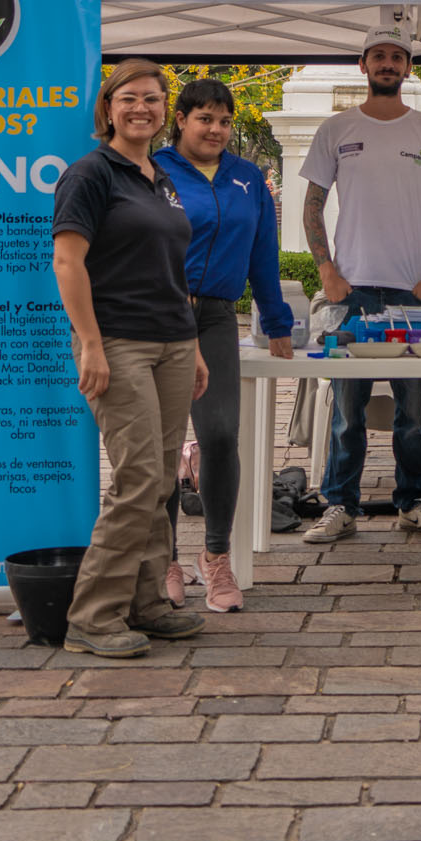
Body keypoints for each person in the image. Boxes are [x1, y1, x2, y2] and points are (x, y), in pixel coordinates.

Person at [50, 60, 209, 657]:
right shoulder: (91, 174)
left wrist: (191, 345)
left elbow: (171, 270)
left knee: (161, 480)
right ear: (108, 109)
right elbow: (68, 263)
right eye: (130, 98)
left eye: (153, 99)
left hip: (172, 341)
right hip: (117, 342)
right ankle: (92, 615)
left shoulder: (160, 178)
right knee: (139, 477)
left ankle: (144, 603)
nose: (143, 108)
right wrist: (90, 343)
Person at [300, 20, 421, 544]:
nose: (388, 64)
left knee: (412, 412)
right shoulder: (336, 129)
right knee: (347, 411)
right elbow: (312, 206)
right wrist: (327, 270)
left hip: (413, 292)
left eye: (397, 56)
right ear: (363, 65)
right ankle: (339, 506)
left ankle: (414, 502)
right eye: (379, 56)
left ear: (408, 67)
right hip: (355, 291)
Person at [154, 77, 295, 613]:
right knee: (162, 444)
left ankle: (215, 559)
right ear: (182, 121)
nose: (215, 129)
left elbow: (263, 256)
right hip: (160, 314)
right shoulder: (155, 171)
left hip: (215, 318)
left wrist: (277, 322)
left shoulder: (247, 179)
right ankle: (163, 558)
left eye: (224, 120)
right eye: (204, 118)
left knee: (218, 436)